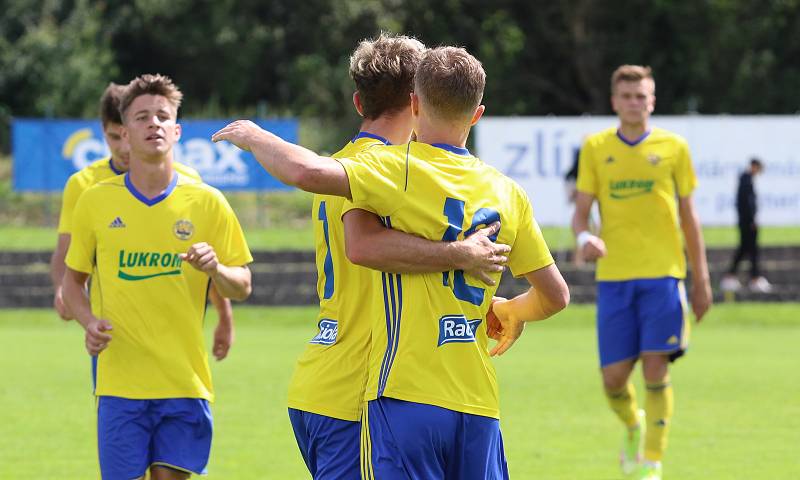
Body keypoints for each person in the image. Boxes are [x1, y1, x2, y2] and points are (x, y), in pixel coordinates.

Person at [213, 46, 570, 479]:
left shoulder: (374, 167)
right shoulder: (495, 188)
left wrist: (254, 135)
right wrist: (482, 278)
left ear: (366, 102)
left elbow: (313, 179)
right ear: (475, 114)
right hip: (415, 392)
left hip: (343, 385)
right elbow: (555, 294)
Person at [284, 34, 512, 479]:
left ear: (357, 102)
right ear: (418, 103)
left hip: (318, 382)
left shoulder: (345, 165)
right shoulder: (395, 173)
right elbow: (369, 248)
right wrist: (463, 255)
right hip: (362, 393)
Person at [62, 74, 253, 480]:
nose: (154, 124)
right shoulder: (94, 201)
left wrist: (216, 269)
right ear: (124, 134)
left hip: (184, 384)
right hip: (119, 386)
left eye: (163, 116)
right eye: (142, 117)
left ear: (178, 130)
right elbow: (71, 283)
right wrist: (88, 321)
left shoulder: (207, 201)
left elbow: (243, 284)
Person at [571, 65, 712, 480]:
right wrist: (584, 241)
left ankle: (652, 462)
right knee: (613, 379)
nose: (635, 102)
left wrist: (700, 280)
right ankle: (634, 425)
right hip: (614, 279)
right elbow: (580, 215)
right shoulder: (595, 147)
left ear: (652, 101)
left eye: (642, 96)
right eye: (627, 96)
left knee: (656, 368)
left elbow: (690, 218)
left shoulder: (674, 147)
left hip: (663, 276)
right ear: (615, 102)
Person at [50, 82, 236, 361]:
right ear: (107, 132)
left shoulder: (190, 184)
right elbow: (66, 252)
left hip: (175, 337)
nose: (125, 148)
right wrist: (62, 292)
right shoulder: (84, 185)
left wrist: (224, 315)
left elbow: (205, 258)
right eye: (115, 138)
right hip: (114, 334)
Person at [721, 157, 771, 293]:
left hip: (746, 222)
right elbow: (747, 204)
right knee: (752, 250)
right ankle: (754, 279)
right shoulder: (746, 179)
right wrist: (751, 220)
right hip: (748, 223)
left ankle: (731, 276)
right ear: (754, 166)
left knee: (744, 249)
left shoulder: (746, 179)